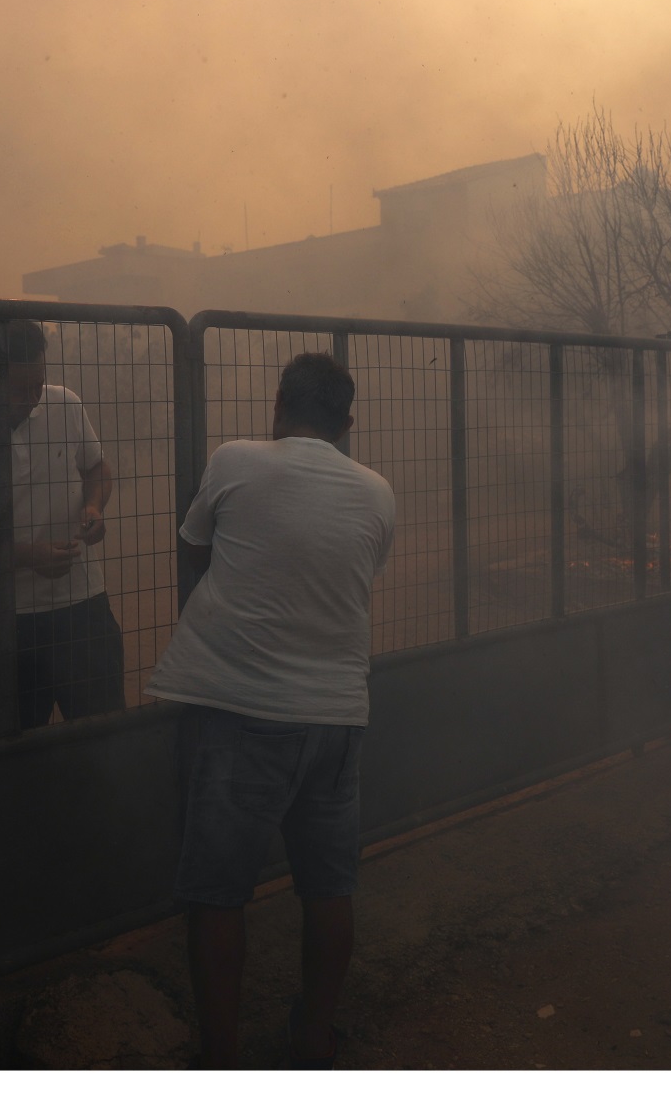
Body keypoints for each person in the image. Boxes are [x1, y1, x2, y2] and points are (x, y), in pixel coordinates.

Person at [145, 352, 396, 1069]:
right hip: (338, 715)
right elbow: (354, 574)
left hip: (238, 709)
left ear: (278, 407)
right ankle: (314, 1036)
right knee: (328, 887)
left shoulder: (234, 461)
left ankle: (219, 1061)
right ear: (347, 424)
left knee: (220, 896)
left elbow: (192, 547)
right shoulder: (378, 491)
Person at [0, 319, 125, 735]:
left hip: (84, 607)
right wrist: (30, 557)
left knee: (106, 744)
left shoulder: (64, 404)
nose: (34, 399)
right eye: (20, 389)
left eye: (39, 384)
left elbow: (97, 467)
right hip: (5, 622)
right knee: (12, 762)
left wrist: (92, 506)